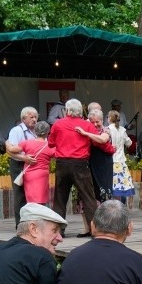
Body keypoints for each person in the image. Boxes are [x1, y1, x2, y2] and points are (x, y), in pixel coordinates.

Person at [48, 99, 100, 236]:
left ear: (67, 110)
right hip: (80, 163)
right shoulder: (86, 125)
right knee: (89, 197)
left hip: (62, 163)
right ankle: (94, 231)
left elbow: (51, 143)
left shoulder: (58, 124)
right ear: (80, 111)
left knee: (59, 198)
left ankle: (58, 232)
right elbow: (96, 141)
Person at [5, 121, 55, 205]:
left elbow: (12, 150)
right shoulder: (50, 146)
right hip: (42, 175)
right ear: (47, 133)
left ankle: (31, 216)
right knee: (41, 201)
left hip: (29, 175)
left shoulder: (27, 143)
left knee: (30, 202)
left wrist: (7, 142)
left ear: (35, 131)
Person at [6, 107, 39, 226]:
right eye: (31, 117)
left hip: (32, 165)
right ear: (23, 118)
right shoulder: (17, 130)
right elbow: (11, 151)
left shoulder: (36, 131)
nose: (34, 120)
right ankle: (19, 224)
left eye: (36, 117)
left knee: (32, 194)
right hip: (19, 164)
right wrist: (24, 158)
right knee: (20, 194)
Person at [107, 110, 136, 201]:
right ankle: (118, 206)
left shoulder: (107, 130)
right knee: (120, 187)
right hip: (121, 162)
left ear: (109, 119)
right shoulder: (122, 130)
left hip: (110, 161)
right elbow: (129, 143)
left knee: (110, 185)